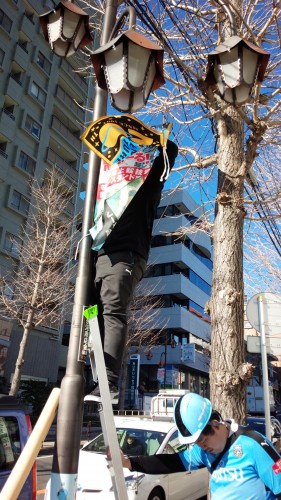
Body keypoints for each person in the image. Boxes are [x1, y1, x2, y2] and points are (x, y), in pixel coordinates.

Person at [88, 140, 178, 402]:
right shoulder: (110, 186)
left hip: (126, 257)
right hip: (101, 257)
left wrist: (148, 140)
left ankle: (110, 382)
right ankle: (97, 378)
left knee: (113, 312)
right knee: (92, 315)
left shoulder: (148, 183)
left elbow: (169, 150)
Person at [119, 392, 281, 499]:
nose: (202, 447)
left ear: (215, 423)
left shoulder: (253, 444)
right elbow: (172, 462)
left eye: (203, 441)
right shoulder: (202, 452)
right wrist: (129, 463)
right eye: (197, 443)